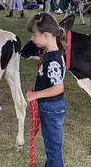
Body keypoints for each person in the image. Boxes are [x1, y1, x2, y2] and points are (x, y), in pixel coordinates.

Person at [26, 12, 67, 167]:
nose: (31, 38)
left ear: (46, 35)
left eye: (33, 34)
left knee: (53, 149)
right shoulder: (52, 53)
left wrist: (34, 95)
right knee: (51, 145)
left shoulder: (53, 60)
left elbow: (58, 88)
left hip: (51, 108)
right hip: (50, 107)